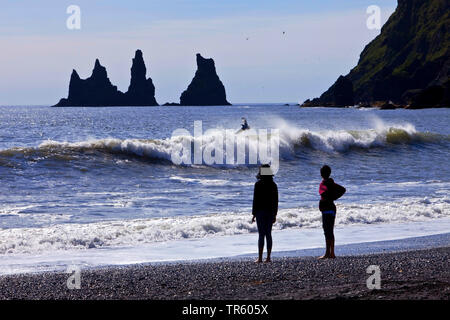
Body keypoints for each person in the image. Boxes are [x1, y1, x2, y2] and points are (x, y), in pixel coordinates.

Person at [251, 164, 278, 263]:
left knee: (261, 235)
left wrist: (253, 214)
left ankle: (260, 258)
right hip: (270, 212)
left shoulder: (258, 184)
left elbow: (255, 200)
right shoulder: (273, 185)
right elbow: (276, 201)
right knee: (269, 234)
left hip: (260, 212)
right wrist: (275, 214)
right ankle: (269, 257)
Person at [318, 165, 346, 259]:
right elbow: (343, 189)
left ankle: (327, 253)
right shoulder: (332, 183)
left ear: (321, 174)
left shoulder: (323, 183)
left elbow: (323, 193)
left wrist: (329, 197)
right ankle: (332, 253)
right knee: (331, 230)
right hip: (332, 208)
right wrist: (334, 197)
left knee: (327, 230)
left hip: (326, 208)